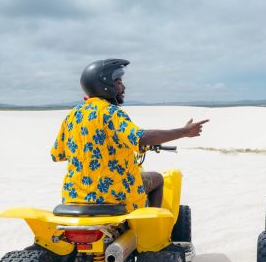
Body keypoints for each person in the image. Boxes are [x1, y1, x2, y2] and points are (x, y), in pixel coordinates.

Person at [51, 59, 208, 211]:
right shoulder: (111, 113)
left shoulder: (72, 116)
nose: (123, 87)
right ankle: (151, 228)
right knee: (158, 179)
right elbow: (140, 138)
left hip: (74, 196)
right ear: (105, 84)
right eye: (119, 82)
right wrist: (184, 131)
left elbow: (57, 154)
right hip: (114, 195)